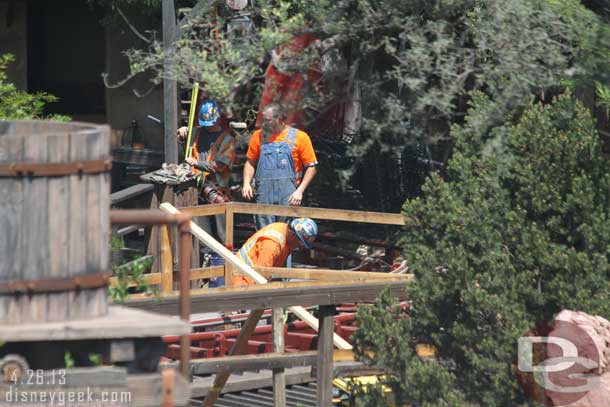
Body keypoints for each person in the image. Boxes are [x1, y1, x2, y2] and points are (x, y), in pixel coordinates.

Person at [242, 103, 318, 229]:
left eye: (267, 120)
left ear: (279, 119)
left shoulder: (300, 137)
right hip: (264, 194)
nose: (264, 124)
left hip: (289, 195)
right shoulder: (258, 136)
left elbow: (312, 167)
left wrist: (299, 191)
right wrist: (246, 183)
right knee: (264, 232)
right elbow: (250, 162)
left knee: (286, 232)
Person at [178, 99, 235, 242]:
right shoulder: (195, 132)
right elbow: (181, 139)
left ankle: (225, 255)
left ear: (217, 120)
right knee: (200, 232)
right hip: (196, 187)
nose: (207, 127)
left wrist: (198, 164)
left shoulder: (228, 140)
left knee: (222, 232)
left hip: (218, 190)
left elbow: (220, 165)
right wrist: (181, 132)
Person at [233, 217, 318, 286]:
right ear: (293, 235)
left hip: (249, 280)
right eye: (301, 243)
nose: (300, 247)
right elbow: (260, 276)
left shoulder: (286, 234)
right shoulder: (272, 245)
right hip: (242, 282)